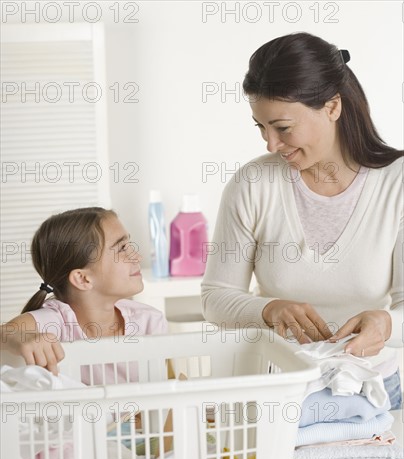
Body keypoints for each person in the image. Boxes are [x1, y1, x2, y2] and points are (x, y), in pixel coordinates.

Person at [201, 32, 403, 409]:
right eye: (261, 127)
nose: (270, 145)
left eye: (282, 127)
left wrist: (386, 323)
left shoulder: (397, 183)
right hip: (277, 389)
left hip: (368, 388)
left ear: (332, 107)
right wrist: (267, 308)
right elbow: (215, 299)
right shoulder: (253, 183)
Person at [0, 207, 168, 379]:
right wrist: (17, 338)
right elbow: (4, 332)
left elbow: (166, 390)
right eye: (122, 248)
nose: (138, 257)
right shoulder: (56, 323)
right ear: (82, 279)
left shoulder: (149, 321)